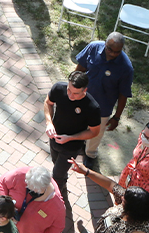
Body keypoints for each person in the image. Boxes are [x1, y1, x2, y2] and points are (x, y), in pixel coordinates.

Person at [74, 34, 134, 163]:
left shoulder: (126, 68)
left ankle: (90, 154)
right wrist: (72, 88)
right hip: (82, 98)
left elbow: (123, 94)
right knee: (78, 122)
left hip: (103, 107)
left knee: (96, 133)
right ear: (105, 43)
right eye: (109, 49)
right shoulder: (93, 47)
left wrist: (117, 117)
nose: (112, 54)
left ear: (122, 49)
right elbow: (80, 69)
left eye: (117, 52)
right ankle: (78, 145)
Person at [43, 71, 102, 202]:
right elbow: (48, 102)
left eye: (75, 93)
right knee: (56, 165)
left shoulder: (92, 108)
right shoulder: (59, 88)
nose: (70, 95)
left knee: (57, 175)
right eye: (69, 90)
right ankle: (62, 181)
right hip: (54, 139)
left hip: (71, 147)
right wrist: (49, 123)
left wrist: (70, 138)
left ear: (85, 90)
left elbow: (94, 132)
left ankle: (55, 198)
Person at [66, 163, 149, 233]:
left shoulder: (140, 230)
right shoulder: (132, 200)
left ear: (131, 210)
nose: (121, 197)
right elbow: (110, 184)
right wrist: (86, 172)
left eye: (124, 200)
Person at [0, 166, 65, 233]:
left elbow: (56, 229)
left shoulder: (58, 208)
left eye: (35, 191)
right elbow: (3, 181)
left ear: (45, 187)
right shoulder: (20, 174)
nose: (31, 192)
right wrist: (5, 205)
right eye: (28, 187)